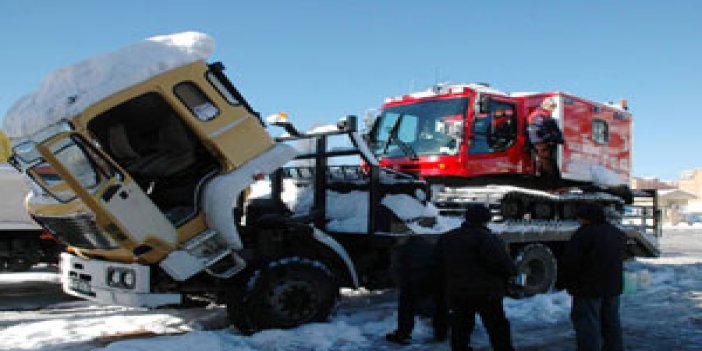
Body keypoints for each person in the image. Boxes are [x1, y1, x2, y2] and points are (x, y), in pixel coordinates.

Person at [434, 204, 517, 351]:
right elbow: (502, 264)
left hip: (458, 292)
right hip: (486, 293)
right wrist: (511, 273)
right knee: (497, 329)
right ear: (485, 220)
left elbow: (437, 265)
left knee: (461, 327)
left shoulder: (447, 238)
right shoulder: (487, 238)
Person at [560, 203, 627, 351]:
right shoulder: (616, 233)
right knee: (611, 324)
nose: (579, 221)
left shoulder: (583, 234)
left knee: (588, 326)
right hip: (612, 287)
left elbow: (571, 261)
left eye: (580, 218)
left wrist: (567, 281)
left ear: (586, 218)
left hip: (587, 289)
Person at [386, 235, 448, 345]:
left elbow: (395, 269)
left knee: (406, 307)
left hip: (412, 282)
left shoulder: (402, 249)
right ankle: (441, 333)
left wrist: (402, 284)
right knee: (440, 306)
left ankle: (403, 333)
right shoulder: (432, 247)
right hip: (433, 281)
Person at [527, 97, 564, 190]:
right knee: (546, 166)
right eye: (552, 106)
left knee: (548, 164)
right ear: (546, 105)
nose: (553, 109)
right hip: (542, 143)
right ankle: (548, 187)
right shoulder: (540, 115)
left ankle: (554, 186)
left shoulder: (542, 115)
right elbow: (539, 129)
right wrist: (550, 137)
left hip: (542, 142)